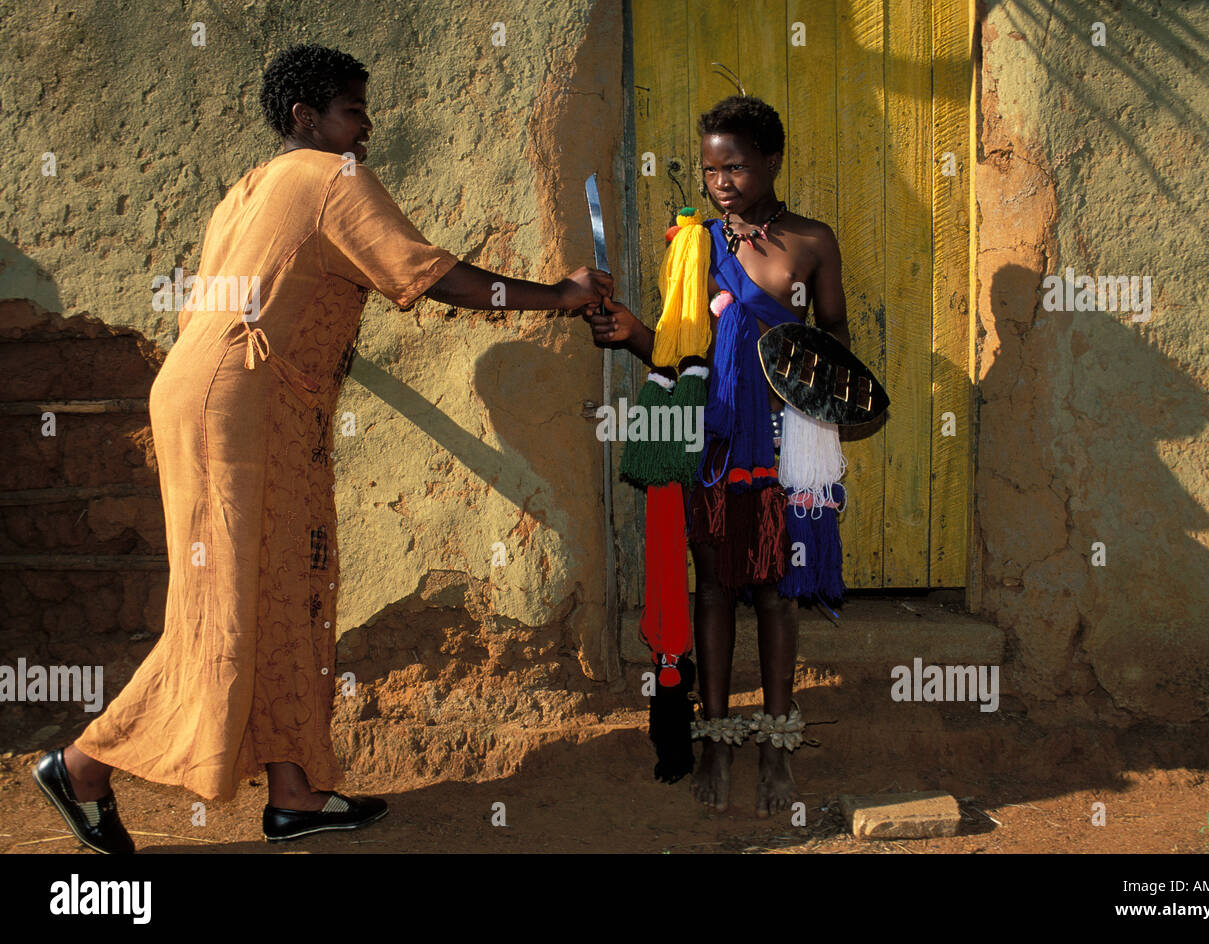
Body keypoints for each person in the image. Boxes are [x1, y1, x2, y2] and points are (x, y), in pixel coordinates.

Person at [32, 43, 611, 854]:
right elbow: (429, 274)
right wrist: (560, 295)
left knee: (286, 586)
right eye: (353, 112)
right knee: (225, 602)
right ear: (307, 117)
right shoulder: (330, 178)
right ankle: (85, 766)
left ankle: (296, 792)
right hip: (241, 405)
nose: (366, 132)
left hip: (227, 398)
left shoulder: (250, 188)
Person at [585, 95, 852, 816]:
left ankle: (775, 745)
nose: (721, 181)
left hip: (781, 442)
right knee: (715, 589)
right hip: (713, 439)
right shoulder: (691, 245)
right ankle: (715, 741)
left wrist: (794, 376)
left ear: (770, 161)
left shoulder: (812, 241)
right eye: (710, 169)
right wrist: (631, 330)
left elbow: (837, 343)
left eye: (735, 165)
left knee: (776, 593)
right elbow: (675, 356)